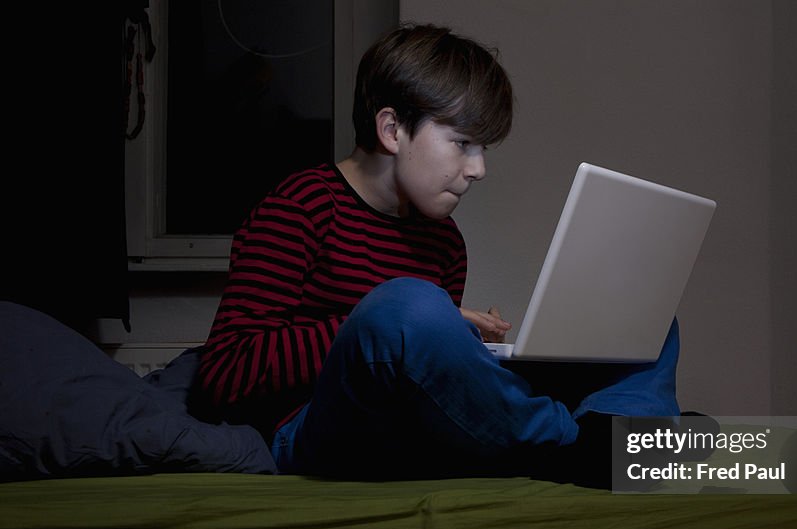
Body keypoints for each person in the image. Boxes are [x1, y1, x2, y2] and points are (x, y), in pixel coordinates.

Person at [188, 23, 682, 485]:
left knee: (640, 308)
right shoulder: (301, 207)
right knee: (407, 306)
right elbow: (225, 374)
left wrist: (456, 341)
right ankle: (575, 445)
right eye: (463, 143)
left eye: (482, 147)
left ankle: (629, 435)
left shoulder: (444, 240)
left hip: (411, 426)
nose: (479, 169)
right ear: (392, 130)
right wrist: (398, 324)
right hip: (313, 430)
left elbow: (429, 384)